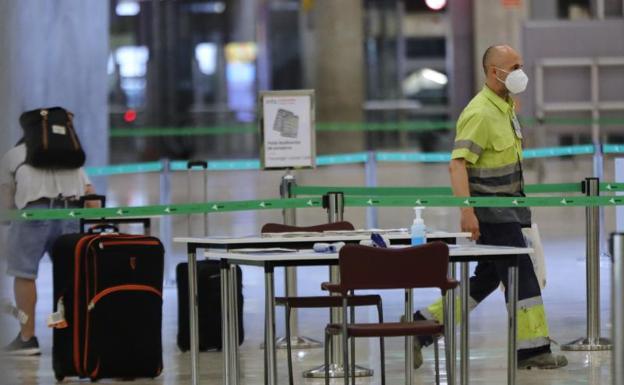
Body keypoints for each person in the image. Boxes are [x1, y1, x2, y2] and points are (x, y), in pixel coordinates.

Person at [410, 45, 568, 369]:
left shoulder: (506, 108)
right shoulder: (480, 112)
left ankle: (422, 326)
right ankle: (533, 350)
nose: (520, 71)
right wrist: (467, 210)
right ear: (494, 72)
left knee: (484, 279)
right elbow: (456, 165)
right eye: (514, 66)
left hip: (510, 210)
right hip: (493, 213)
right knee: (522, 274)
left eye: (521, 64)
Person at [0, 136, 97, 356]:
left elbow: (5, 198)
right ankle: (74, 337)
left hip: (31, 214)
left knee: (24, 274)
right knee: (71, 275)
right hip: (70, 213)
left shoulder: (14, 155)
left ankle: (27, 338)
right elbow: (92, 198)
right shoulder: (69, 155)